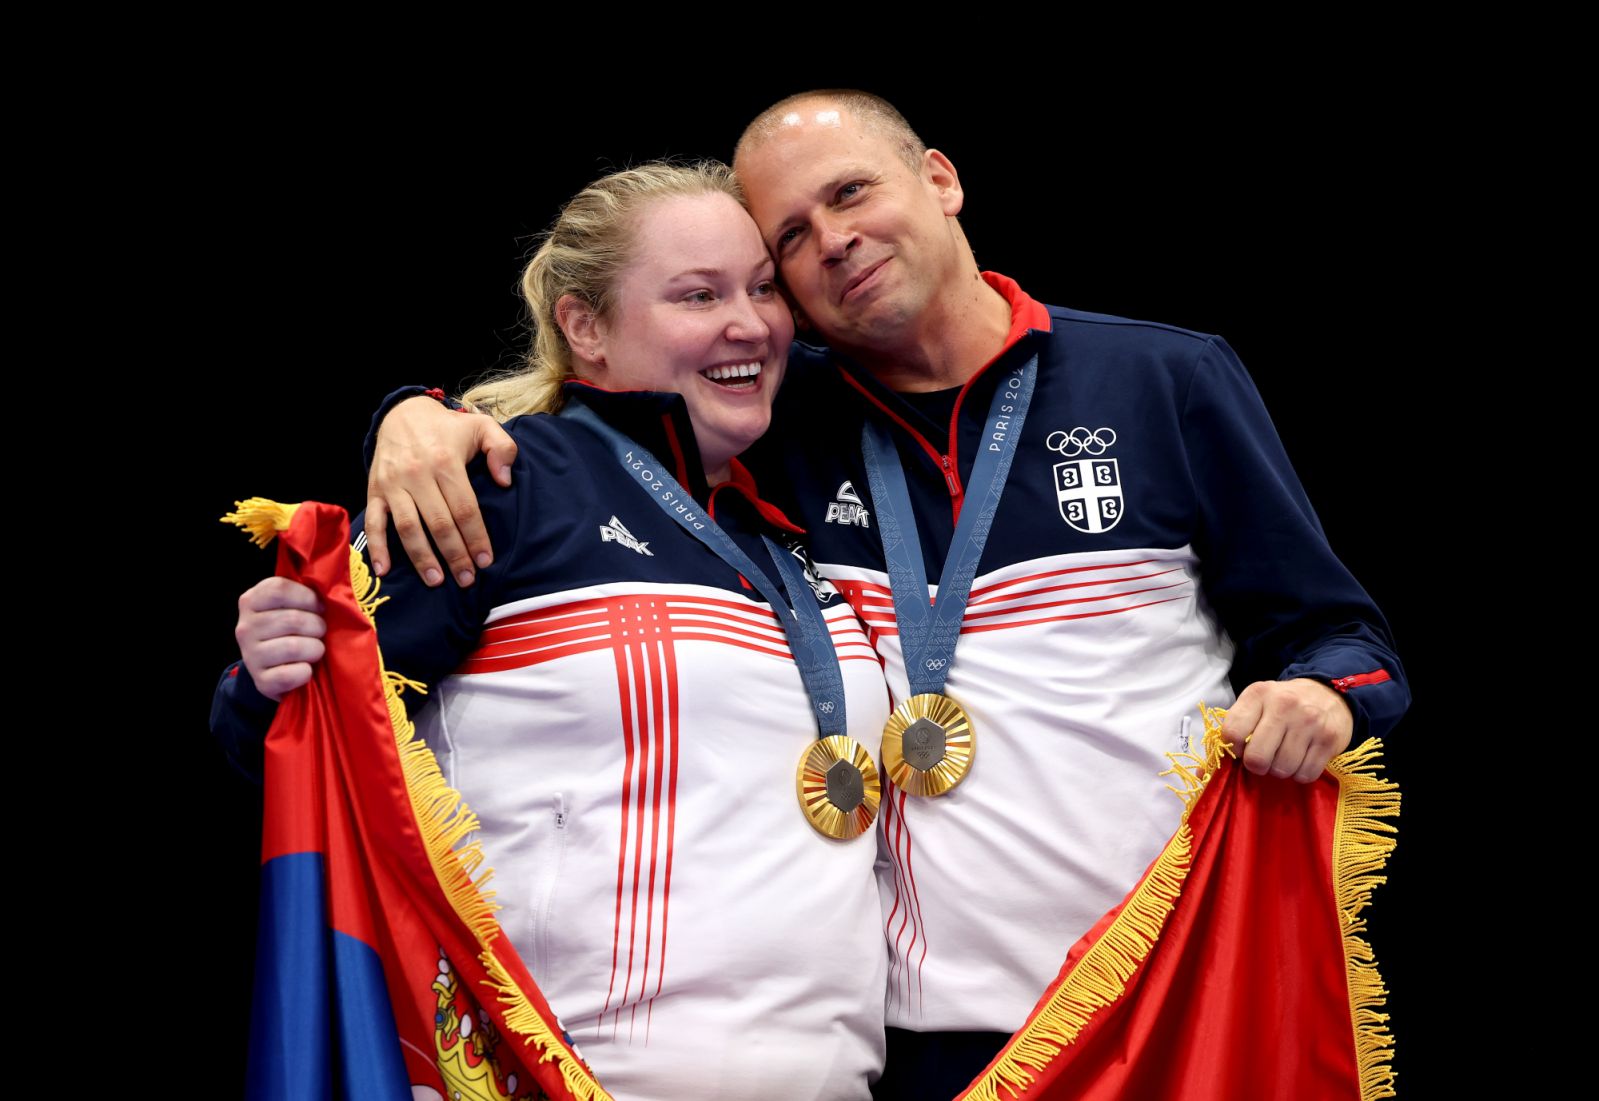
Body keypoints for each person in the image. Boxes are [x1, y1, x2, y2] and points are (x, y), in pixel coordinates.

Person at [360, 91, 1410, 1097]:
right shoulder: (778, 417)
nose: (832, 241)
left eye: (851, 193)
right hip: (904, 1049)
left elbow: (1337, 633)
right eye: (790, 238)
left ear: (941, 179)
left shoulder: (1162, 382)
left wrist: (1323, 695)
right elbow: (595, 428)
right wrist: (413, 416)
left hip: (1154, 1005)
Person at [213, 161, 892, 1101]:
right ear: (584, 326)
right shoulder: (501, 485)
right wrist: (268, 673)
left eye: (763, 288)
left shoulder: (790, 512)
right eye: (698, 295)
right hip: (561, 1074)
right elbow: (312, 740)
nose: (750, 323)